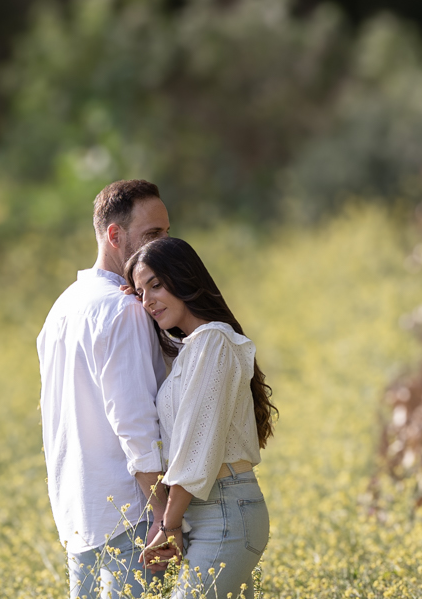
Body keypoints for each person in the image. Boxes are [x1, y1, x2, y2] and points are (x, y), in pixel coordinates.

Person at [37, 179, 173, 598]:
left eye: (166, 236)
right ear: (115, 235)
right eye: (151, 236)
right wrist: (165, 516)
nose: (163, 249)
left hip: (80, 515)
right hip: (130, 515)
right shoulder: (124, 308)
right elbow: (135, 425)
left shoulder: (62, 307)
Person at [126, 236, 276, 599]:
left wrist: (168, 524)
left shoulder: (213, 342)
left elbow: (195, 449)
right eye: (139, 292)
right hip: (210, 511)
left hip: (225, 512)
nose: (147, 301)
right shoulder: (192, 348)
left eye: (156, 285)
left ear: (184, 278)